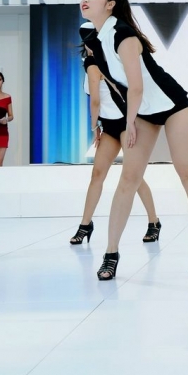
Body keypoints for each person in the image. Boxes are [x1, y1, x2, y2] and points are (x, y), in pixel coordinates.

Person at [79, 0, 188, 281]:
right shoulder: (95, 39)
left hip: (172, 105)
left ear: (111, 4)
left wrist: (128, 124)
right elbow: (117, 87)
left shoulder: (123, 34)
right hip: (142, 112)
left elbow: (137, 86)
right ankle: (111, 253)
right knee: (129, 178)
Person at [68, 48, 163, 246]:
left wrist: (94, 127)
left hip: (126, 123)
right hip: (110, 125)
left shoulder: (101, 63)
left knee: (133, 176)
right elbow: (97, 98)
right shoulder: (93, 64)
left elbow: (95, 101)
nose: (91, 45)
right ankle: (85, 224)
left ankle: (154, 221)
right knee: (97, 174)